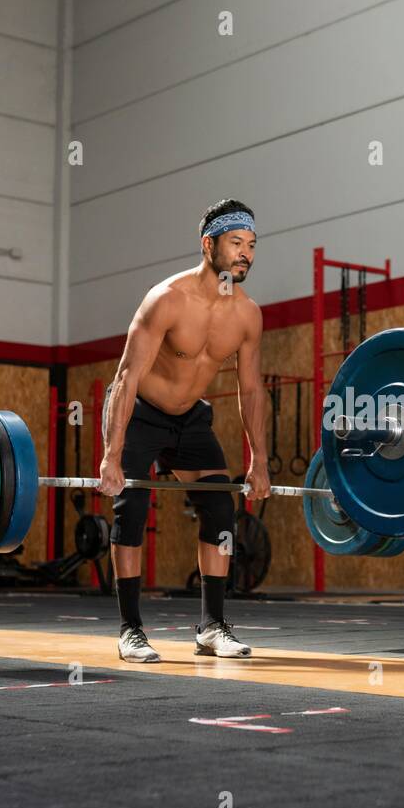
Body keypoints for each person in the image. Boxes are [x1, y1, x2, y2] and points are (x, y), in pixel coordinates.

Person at [98, 199, 270, 663]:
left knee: (220, 509)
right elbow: (127, 377)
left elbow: (250, 391)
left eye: (252, 245)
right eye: (236, 243)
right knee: (130, 508)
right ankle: (131, 630)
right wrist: (112, 455)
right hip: (139, 414)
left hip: (190, 418)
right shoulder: (167, 300)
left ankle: (212, 628)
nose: (245, 254)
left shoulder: (247, 315)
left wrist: (260, 462)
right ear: (208, 244)